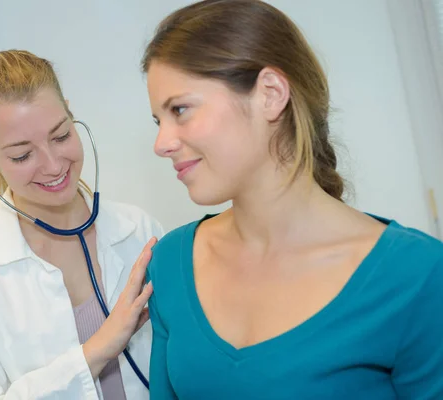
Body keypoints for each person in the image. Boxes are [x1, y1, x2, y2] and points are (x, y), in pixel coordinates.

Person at [142, 0, 443, 398]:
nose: (162, 144)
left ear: (270, 94)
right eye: (158, 121)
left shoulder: (417, 275)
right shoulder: (170, 262)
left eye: (180, 110)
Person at [0, 50, 163, 399]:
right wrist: (97, 349)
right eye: (22, 155)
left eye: (60, 136)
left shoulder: (138, 229)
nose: (54, 165)